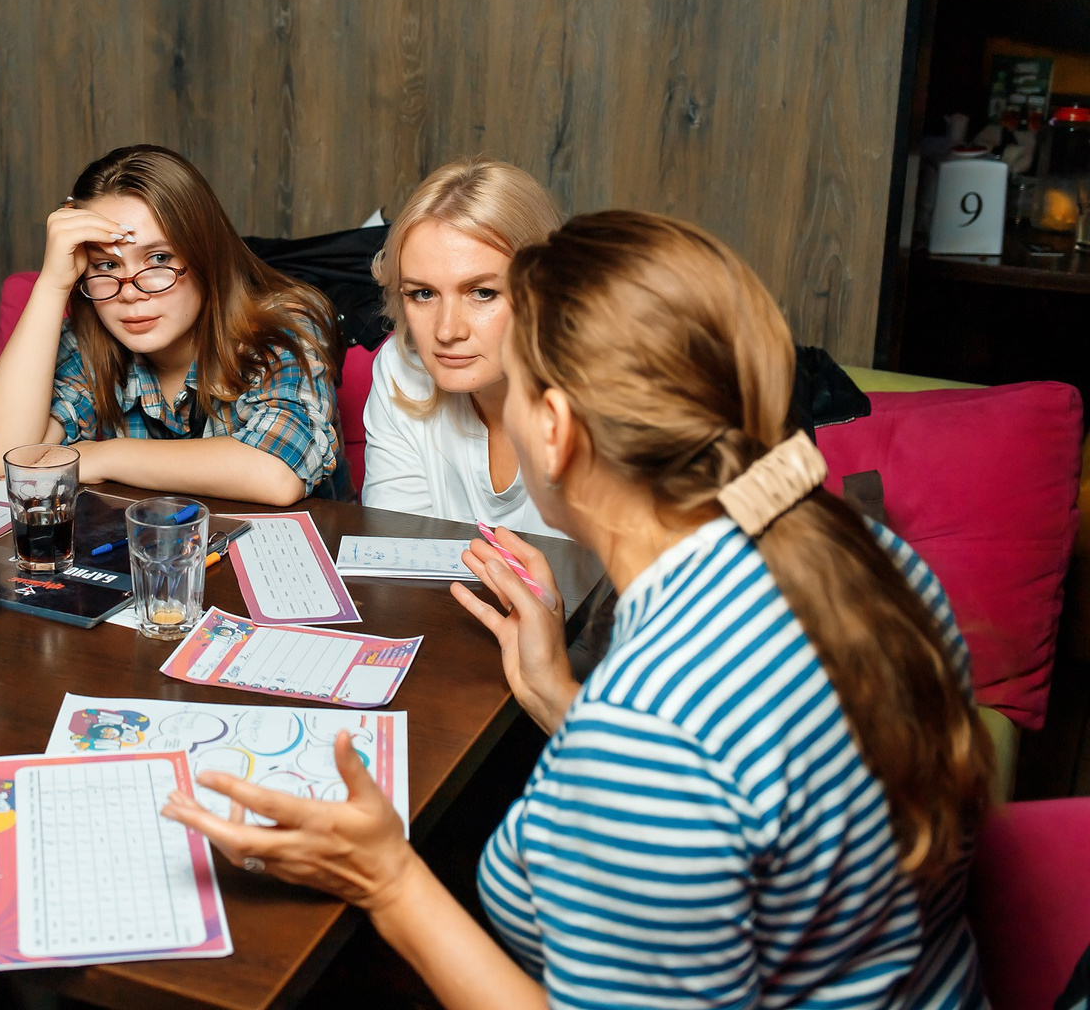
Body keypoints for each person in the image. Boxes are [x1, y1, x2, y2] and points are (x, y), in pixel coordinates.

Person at [164, 210, 994, 1009]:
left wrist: (387, 879)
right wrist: (560, 694)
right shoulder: (874, 563)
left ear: (555, 429)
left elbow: (674, 765)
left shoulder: (650, 733)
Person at [0, 144, 343, 505]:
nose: (130, 292)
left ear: (205, 256)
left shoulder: (284, 323)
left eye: (158, 258)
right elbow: (0, 457)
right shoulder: (90, 340)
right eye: (107, 265)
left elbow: (278, 472)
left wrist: (106, 456)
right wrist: (52, 285)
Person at [360, 160, 563, 534]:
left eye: (482, 293)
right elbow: (395, 549)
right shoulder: (402, 369)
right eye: (423, 293)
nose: (446, 330)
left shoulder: (602, 399)